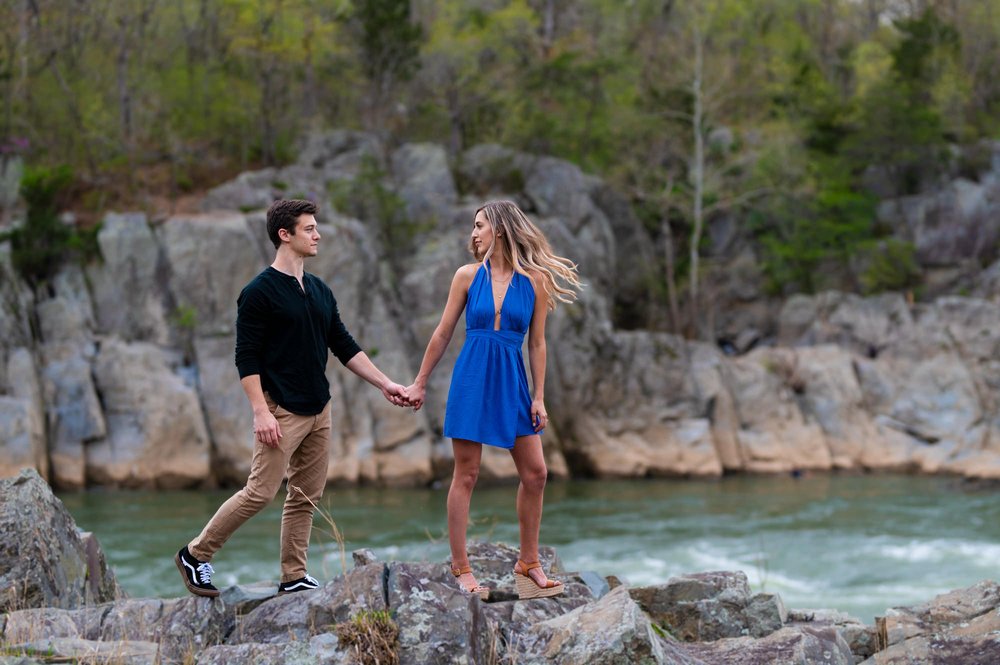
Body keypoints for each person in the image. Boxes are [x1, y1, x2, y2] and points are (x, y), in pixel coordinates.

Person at [175, 199, 410, 597]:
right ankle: (196, 554)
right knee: (260, 492)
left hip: (320, 406)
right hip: (280, 408)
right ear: (285, 235)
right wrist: (261, 412)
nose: (317, 235)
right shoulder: (258, 293)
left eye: (316, 228)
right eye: (309, 229)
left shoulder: (319, 290)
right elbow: (245, 357)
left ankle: (293, 575)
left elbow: (343, 344)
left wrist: (385, 383)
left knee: (305, 496)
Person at [405, 200, 581, 600]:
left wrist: (539, 397)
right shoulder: (466, 276)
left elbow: (537, 344)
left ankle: (528, 564)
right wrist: (419, 383)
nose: (474, 232)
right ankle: (461, 569)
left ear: (500, 229)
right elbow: (443, 333)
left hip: (513, 381)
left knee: (536, 473)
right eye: (474, 225)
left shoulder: (534, 281)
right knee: (466, 474)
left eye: (480, 224)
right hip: (471, 377)